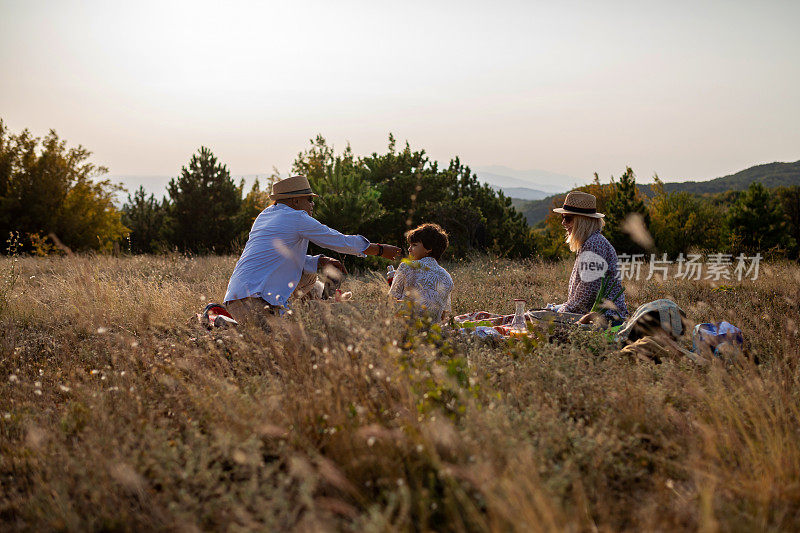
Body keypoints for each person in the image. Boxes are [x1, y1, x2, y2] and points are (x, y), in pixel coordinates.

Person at [224, 175, 402, 325]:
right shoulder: (297, 217)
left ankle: (307, 310)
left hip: (234, 299)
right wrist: (379, 249)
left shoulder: (265, 215)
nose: (312, 204)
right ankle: (307, 314)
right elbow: (338, 240)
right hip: (256, 301)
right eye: (309, 199)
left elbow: (283, 257)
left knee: (310, 275)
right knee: (291, 339)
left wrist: (320, 261)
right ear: (295, 201)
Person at [549, 190, 628, 325]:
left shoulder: (594, 245)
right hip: (594, 312)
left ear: (582, 221)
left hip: (605, 317)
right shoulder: (590, 243)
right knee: (544, 312)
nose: (563, 223)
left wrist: (560, 313)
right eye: (562, 217)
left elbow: (586, 296)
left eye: (567, 218)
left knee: (541, 319)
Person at [389, 223, 454, 322]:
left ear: (429, 249)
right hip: (432, 333)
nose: (409, 249)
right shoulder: (447, 276)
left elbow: (391, 301)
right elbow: (444, 315)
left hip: (406, 329)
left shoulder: (406, 267)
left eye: (414, 245)